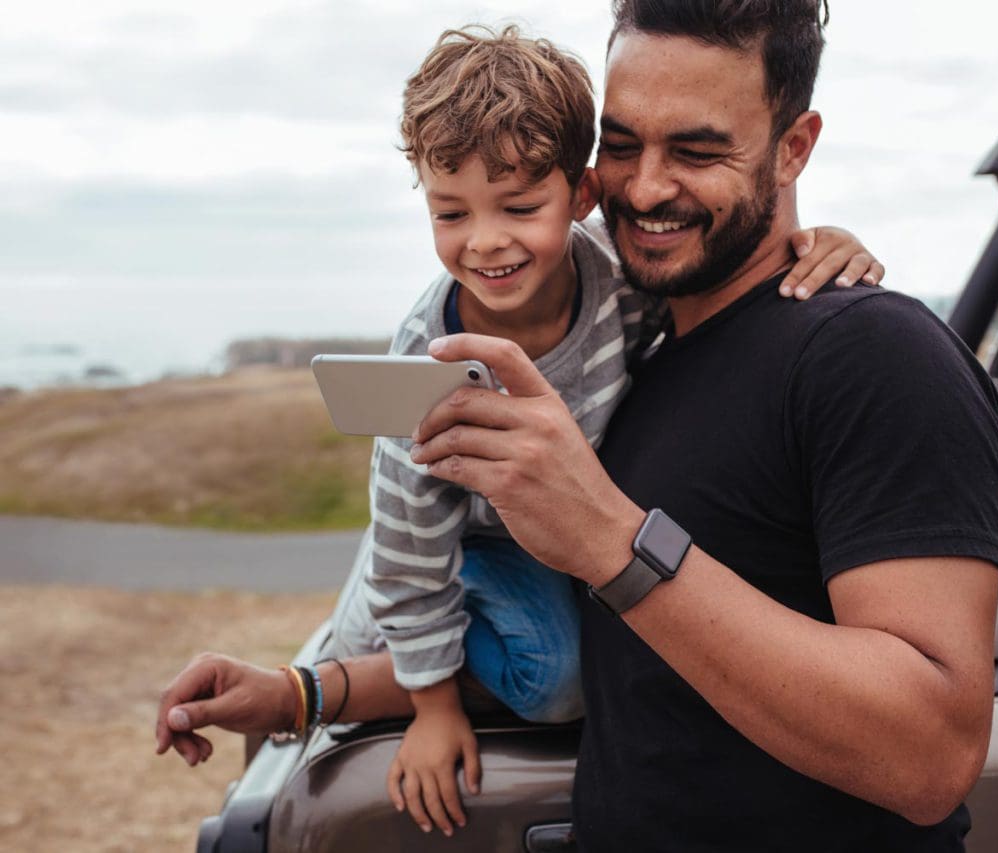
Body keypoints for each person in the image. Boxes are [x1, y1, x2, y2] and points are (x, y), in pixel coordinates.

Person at [155, 15, 893, 845]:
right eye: (451, 214)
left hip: (554, 536)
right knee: (551, 675)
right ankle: (340, 685)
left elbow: (724, 270)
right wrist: (434, 707)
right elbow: (406, 532)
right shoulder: (428, 354)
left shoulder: (621, 281)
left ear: (579, 196)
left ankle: (323, 684)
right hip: (454, 542)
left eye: (518, 205)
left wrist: (819, 240)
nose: (486, 241)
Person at [402, 2, 998, 851]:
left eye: (696, 150)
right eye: (620, 147)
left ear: (793, 147)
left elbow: (932, 752)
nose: (647, 187)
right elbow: (607, 658)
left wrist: (615, 542)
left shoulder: (876, 354)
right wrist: (299, 693)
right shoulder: (637, 354)